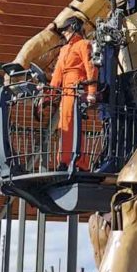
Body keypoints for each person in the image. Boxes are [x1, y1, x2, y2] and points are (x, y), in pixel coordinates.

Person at [49, 16, 98, 170]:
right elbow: (57, 74)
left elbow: (91, 69)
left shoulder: (84, 44)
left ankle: (76, 161)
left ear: (74, 27)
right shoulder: (64, 49)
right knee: (64, 125)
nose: (64, 33)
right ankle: (64, 160)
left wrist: (91, 92)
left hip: (77, 88)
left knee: (71, 123)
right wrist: (48, 96)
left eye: (66, 29)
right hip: (66, 90)